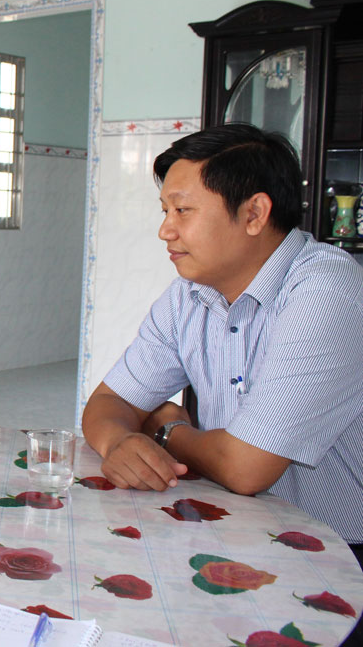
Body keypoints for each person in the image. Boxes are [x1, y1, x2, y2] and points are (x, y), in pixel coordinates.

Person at [81, 125, 363, 592]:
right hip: (240, 532)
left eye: (184, 211)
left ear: (254, 213)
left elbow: (244, 467)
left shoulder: (326, 291)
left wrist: (167, 431)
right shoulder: (188, 296)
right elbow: (107, 403)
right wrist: (118, 444)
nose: (165, 229)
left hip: (341, 553)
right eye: (165, 210)